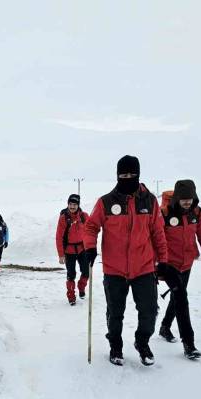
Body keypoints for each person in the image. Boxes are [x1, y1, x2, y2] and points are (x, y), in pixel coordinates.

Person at [83, 155, 170, 366]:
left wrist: (164, 261)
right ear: (117, 175)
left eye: (132, 174)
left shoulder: (149, 201)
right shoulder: (106, 202)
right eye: (123, 174)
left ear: (138, 175)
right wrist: (90, 247)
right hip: (114, 269)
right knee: (115, 312)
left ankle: (142, 342)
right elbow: (91, 227)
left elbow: (158, 232)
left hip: (144, 267)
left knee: (149, 310)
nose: (127, 177)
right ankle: (115, 345)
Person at [158, 179, 201, 359]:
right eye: (183, 199)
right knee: (182, 298)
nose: (186, 202)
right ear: (176, 198)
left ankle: (165, 327)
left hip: (187, 263)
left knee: (177, 296)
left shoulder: (197, 213)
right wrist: (158, 263)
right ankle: (189, 344)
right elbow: (156, 238)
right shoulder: (165, 214)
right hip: (169, 264)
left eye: (189, 199)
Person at [56, 194, 90, 305]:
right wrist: (61, 255)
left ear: (78, 205)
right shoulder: (64, 218)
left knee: (86, 272)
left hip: (82, 249)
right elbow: (59, 237)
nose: (72, 207)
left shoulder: (84, 216)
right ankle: (71, 296)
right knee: (71, 274)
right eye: (70, 204)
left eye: (74, 204)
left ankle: (81, 287)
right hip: (69, 251)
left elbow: (91, 230)